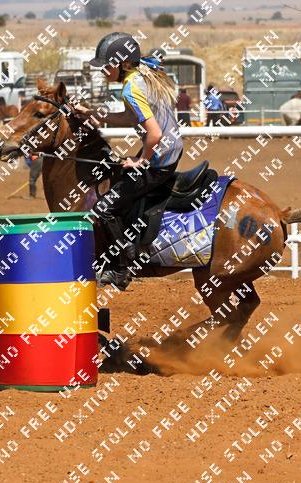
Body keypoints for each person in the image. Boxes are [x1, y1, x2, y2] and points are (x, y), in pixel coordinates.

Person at [73, 32, 183, 290]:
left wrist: (141, 160)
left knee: (104, 208)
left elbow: (154, 134)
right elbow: (130, 118)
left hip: (160, 160)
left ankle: (121, 269)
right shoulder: (141, 77)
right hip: (171, 152)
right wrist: (95, 115)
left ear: (122, 64)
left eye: (106, 66)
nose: (103, 71)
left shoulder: (131, 87)